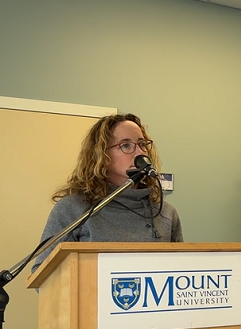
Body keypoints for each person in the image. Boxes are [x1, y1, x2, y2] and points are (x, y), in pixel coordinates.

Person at [31, 113, 183, 273]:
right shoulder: (72, 209)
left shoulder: (166, 212)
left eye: (142, 144)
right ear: (102, 156)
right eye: (126, 145)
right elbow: (43, 274)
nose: (140, 153)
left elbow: (181, 269)